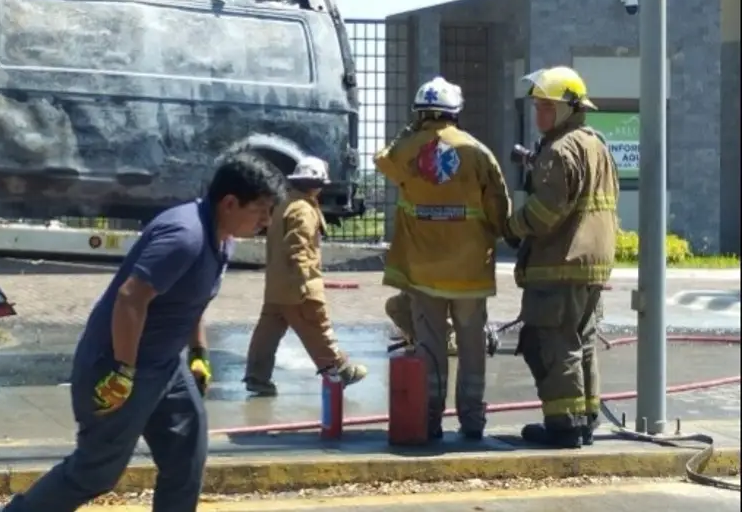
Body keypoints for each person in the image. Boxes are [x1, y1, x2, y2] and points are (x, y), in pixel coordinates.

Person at [0, 153, 286, 512]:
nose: (267, 220)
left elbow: (194, 299)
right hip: (119, 366)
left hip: (166, 368)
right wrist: (122, 371)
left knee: (187, 452)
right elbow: (130, 297)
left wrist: (199, 354)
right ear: (230, 203)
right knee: (95, 471)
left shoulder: (223, 237)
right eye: (261, 210)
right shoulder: (185, 237)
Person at [374, 76, 511, 441]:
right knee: (472, 348)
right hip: (470, 272)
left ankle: (430, 420)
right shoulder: (478, 152)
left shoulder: (404, 153)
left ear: (419, 114)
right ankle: (472, 422)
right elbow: (500, 207)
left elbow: (383, 160)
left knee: (430, 348)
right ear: (457, 112)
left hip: (424, 272)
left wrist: (410, 132)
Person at [504, 66, 618, 449]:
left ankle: (563, 426)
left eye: (546, 108)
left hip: (562, 264)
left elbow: (546, 211)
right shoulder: (596, 143)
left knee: (552, 342)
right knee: (581, 341)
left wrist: (512, 225)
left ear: (568, 109)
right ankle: (584, 420)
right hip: (591, 266)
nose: (539, 115)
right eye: (537, 107)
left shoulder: (560, 148)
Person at [243, 157, 368, 397]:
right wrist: (303, 281)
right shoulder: (303, 210)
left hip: (277, 286)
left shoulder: (285, 204)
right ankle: (338, 370)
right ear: (316, 183)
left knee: (267, 334)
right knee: (316, 326)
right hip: (299, 286)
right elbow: (298, 248)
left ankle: (257, 377)